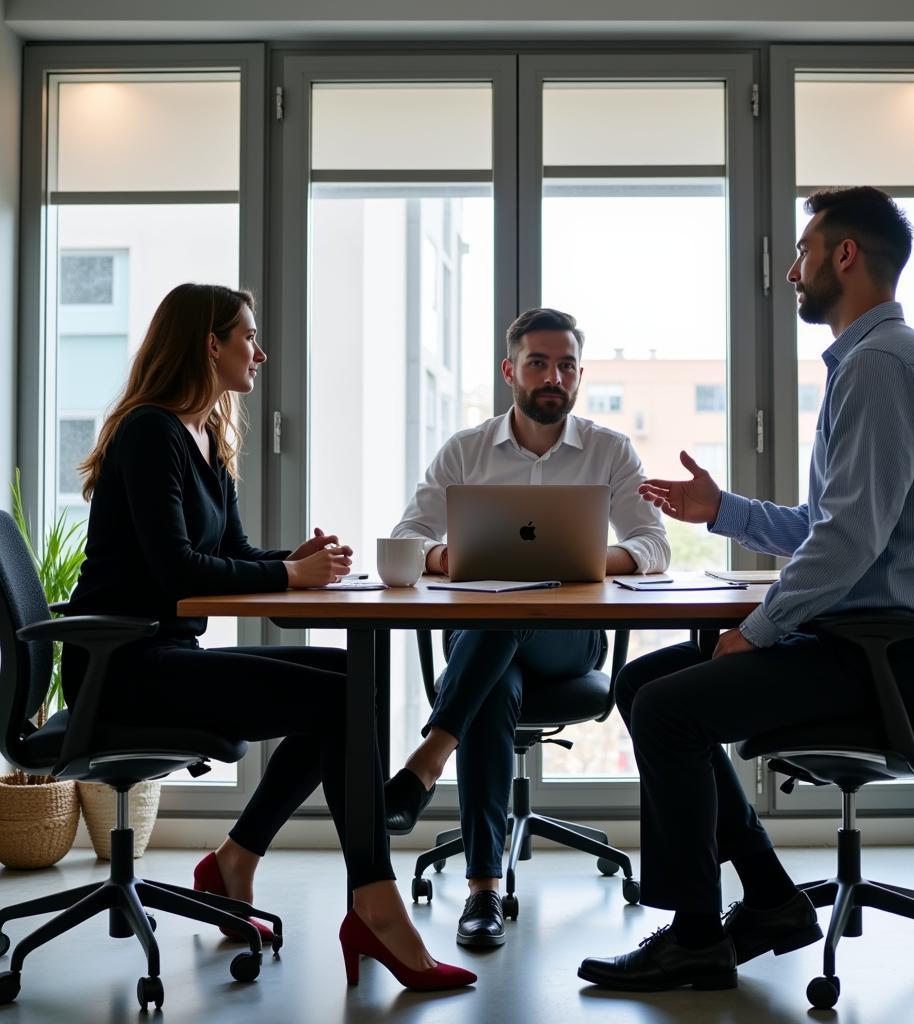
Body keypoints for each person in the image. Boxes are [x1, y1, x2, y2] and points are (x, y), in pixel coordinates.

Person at [578, 186, 914, 992]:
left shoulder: (881, 367)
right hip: (865, 643)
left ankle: (697, 937)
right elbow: (829, 525)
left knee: (667, 708)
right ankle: (767, 899)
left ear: (845, 255)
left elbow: (848, 539)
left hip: (876, 659)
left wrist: (759, 627)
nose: (792, 271)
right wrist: (720, 510)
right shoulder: (874, 364)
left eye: (803, 252)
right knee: (644, 682)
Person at [63, 283, 475, 992]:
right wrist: (288, 572)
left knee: (354, 686)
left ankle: (238, 861)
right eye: (249, 336)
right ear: (210, 344)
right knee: (340, 701)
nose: (261, 351)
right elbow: (177, 570)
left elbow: (238, 555)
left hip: (169, 654)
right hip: (122, 665)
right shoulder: (149, 432)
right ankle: (374, 907)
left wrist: (301, 566)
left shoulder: (206, 437)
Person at [387, 307, 670, 948]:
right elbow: (409, 537)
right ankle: (485, 892)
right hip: (487, 649)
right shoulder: (465, 451)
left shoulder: (608, 450)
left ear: (578, 376)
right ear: (510, 370)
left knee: (498, 623)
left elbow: (654, 547)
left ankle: (428, 759)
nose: (554, 376)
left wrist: (574, 561)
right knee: (491, 682)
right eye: (539, 363)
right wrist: (443, 558)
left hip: (566, 644)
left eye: (566, 364)